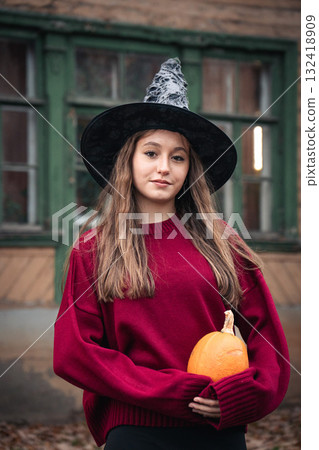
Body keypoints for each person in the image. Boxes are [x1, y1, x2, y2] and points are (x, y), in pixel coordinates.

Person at [53, 58, 290, 450]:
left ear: (189, 169)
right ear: (128, 161)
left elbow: (267, 341)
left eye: (177, 157)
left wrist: (242, 396)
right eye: (151, 153)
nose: (164, 167)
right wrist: (174, 392)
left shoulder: (223, 242)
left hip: (218, 430)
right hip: (135, 431)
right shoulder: (94, 249)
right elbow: (75, 352)